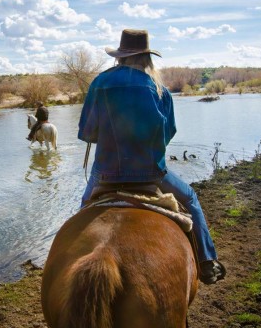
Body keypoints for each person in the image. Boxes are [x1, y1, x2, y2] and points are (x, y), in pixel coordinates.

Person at [78, 29, 226, 285]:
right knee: (191, 198)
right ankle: (206, 262)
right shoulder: (159, 89)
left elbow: (88, 133)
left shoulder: (100, 83)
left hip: (105, 174)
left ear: (120, 57)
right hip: (152, 174)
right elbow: (168, 134)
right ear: (147, 58)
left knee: (81, 214)